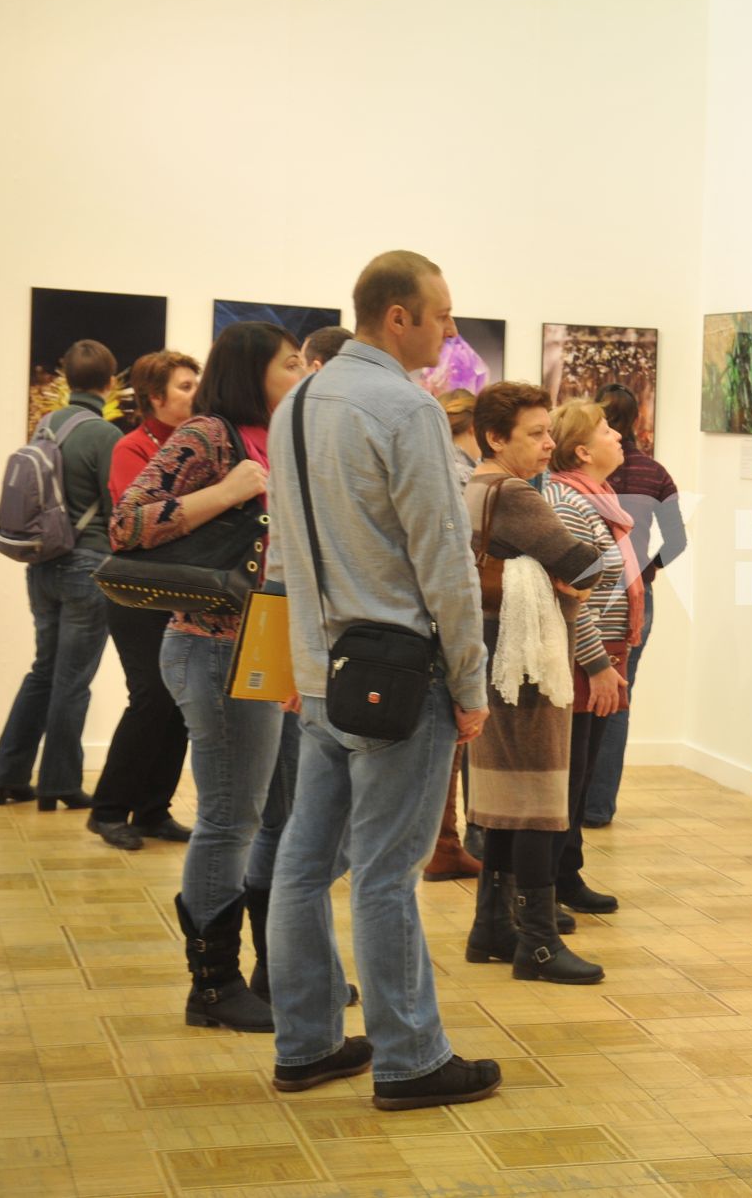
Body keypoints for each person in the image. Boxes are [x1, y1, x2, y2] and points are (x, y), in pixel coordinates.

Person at [263, 250, 500, 1111]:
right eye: (441, 315)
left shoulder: (297, 404)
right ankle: (408, 1057)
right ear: (396, 317)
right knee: (386, 870)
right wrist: (471, 682)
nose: (449, 331)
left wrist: (294, 661)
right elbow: (444, 558)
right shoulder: (406, 408)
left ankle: (309, 1042)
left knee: (303, 862)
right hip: (400, 676)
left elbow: (283, 548)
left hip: (323, 676)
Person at [112, 322, 306, 1032]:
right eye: (291, 365)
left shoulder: (278, 438)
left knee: (281, 818)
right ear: (255, 369)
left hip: (270, 651)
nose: (301, 375)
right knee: (230, 819)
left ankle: (273, 966)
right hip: (213, 645)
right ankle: (214, 983)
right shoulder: (209, 436)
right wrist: (226, 492)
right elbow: (127, 525)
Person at [461, 382, 605, 987]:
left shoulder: (475, 485)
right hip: (528, 663)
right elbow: (589, 564)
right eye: (536, 433)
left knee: (502, 801)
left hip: (496, 654)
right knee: (541, 801)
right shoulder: (515, 493)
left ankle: (493, 926)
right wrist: (563, 572)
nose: (550, 443)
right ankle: (539, 943)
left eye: (550, 431)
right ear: (497, 437)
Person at [254, 325, 370, 998]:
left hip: (322, 661)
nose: (300, 373)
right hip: (313, 663)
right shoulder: (281, 430)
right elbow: (283, 561)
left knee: (305, 838)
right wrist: (289, 663)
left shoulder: (293, 429)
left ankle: (300, 989)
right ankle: (286, 978)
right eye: (289, 364)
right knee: (289, 831)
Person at [0, 340, 123, 811]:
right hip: (86, 566)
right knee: (73, 679)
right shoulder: (105, 435)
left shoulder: (45, 426)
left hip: (41, 565)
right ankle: (60, 784)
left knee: (43, 671)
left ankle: (6, 774)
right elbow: (117, 512)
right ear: (109, 383)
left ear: (67, 379)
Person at [85, 350, 200, 849]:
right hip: (137, 595)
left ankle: (154, 810)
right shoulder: (131, 447)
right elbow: (145, 523)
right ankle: (109, 810)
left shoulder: (196, 445)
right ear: (156, 397)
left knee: (180, 702)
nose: (196, 393)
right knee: (151, 697)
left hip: (181, 590)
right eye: (185, 386)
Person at [541, 401, 640, 916]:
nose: (618, 435)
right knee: (570, 777)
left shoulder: (595, 498)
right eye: (606, 431)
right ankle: (552, 882)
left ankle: (566, 873)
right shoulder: (570, 505)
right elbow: (573, 597)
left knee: (579, 777)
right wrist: (598, 664)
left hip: (601, 656)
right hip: (585, 659)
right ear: (582, 451)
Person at [582, 384, 685, 829]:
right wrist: (647, 568)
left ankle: (567, 801)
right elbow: (678, 541)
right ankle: (598, 807)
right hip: (635, 597)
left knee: (577, 695)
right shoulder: (655, 473)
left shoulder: (578, 471)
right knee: (619, 699)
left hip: (585, 594)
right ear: (639, 419)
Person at [424, 387, 485, 879]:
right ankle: (443, 844)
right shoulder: (463, 474)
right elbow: (458, 566)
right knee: (451, 743)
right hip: (451, 623)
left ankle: (446, 843)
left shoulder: (446, 467)